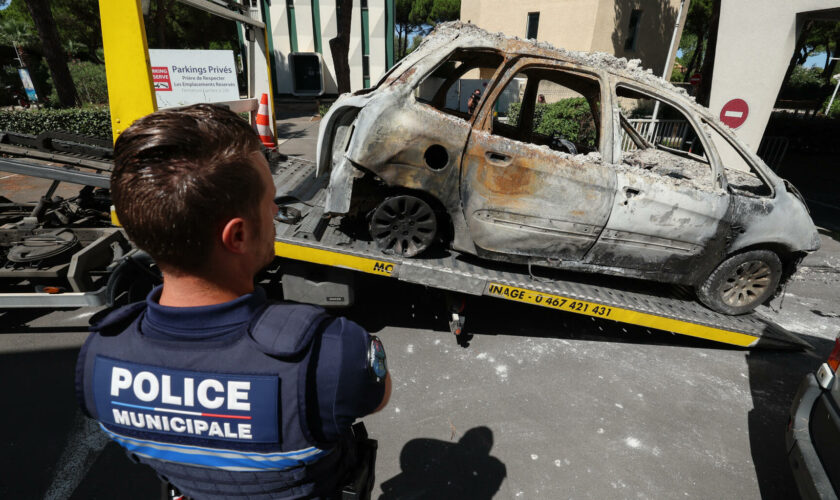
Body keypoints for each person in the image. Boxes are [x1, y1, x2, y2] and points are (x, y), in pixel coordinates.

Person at [75, 104, 391, 499]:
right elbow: (377, 398)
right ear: (237, 236)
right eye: (269, 202)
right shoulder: (328, 352)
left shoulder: (99, 358)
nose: (276, 211)